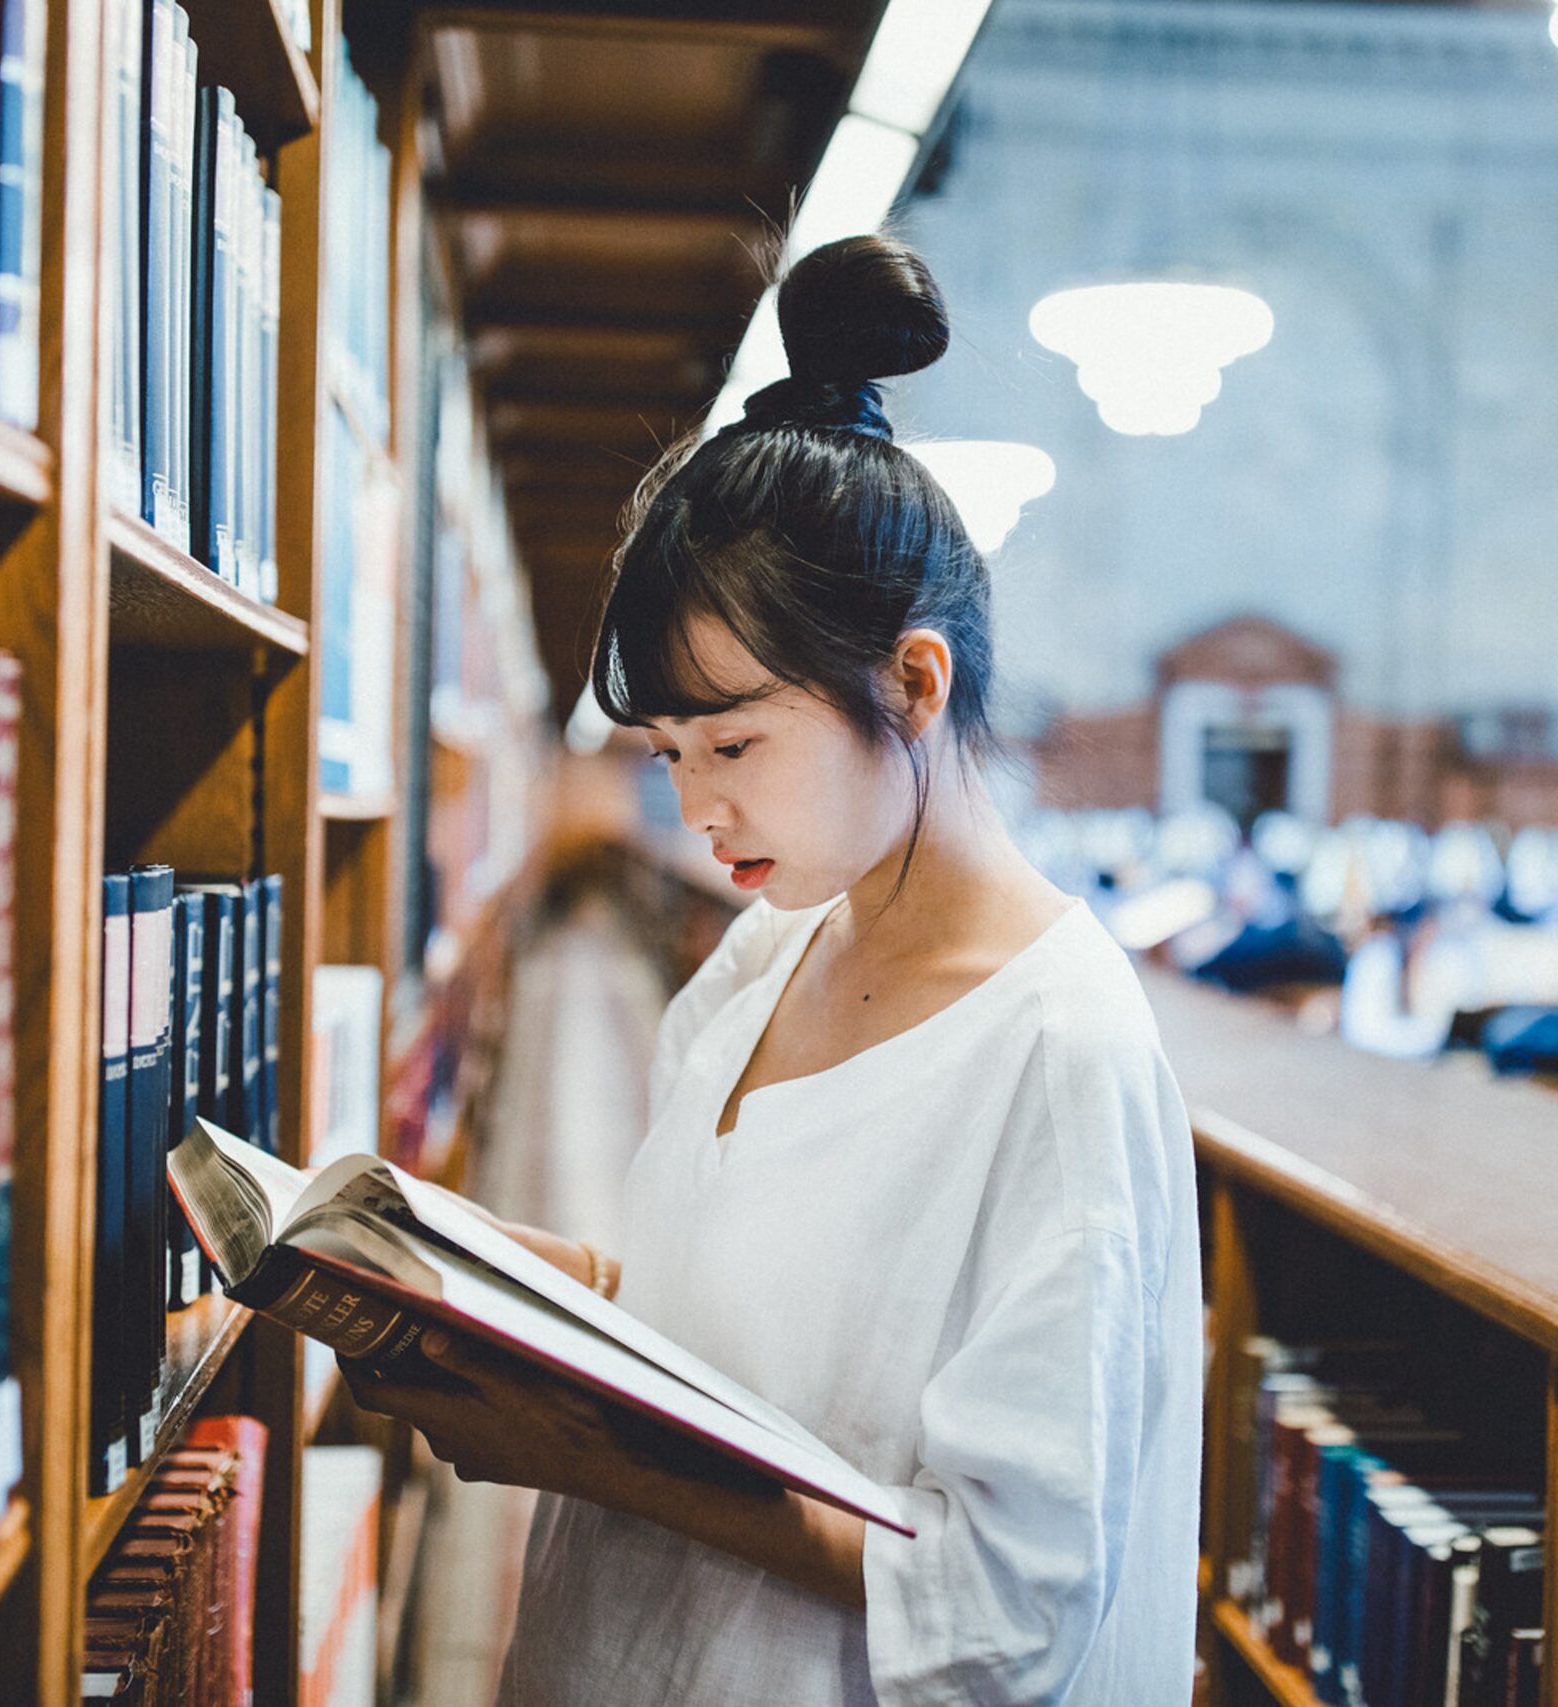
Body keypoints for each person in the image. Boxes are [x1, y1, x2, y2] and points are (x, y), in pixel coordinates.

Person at [342, 234, 1202, 1706]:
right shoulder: (765, 952)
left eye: (734, 744)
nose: (698, 808)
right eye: (671, 756)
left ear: (913, 686)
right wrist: (492, 1275)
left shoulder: (1058, 1055)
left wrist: (589, 1459)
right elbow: (729, 1313)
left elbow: (1002, 1612)